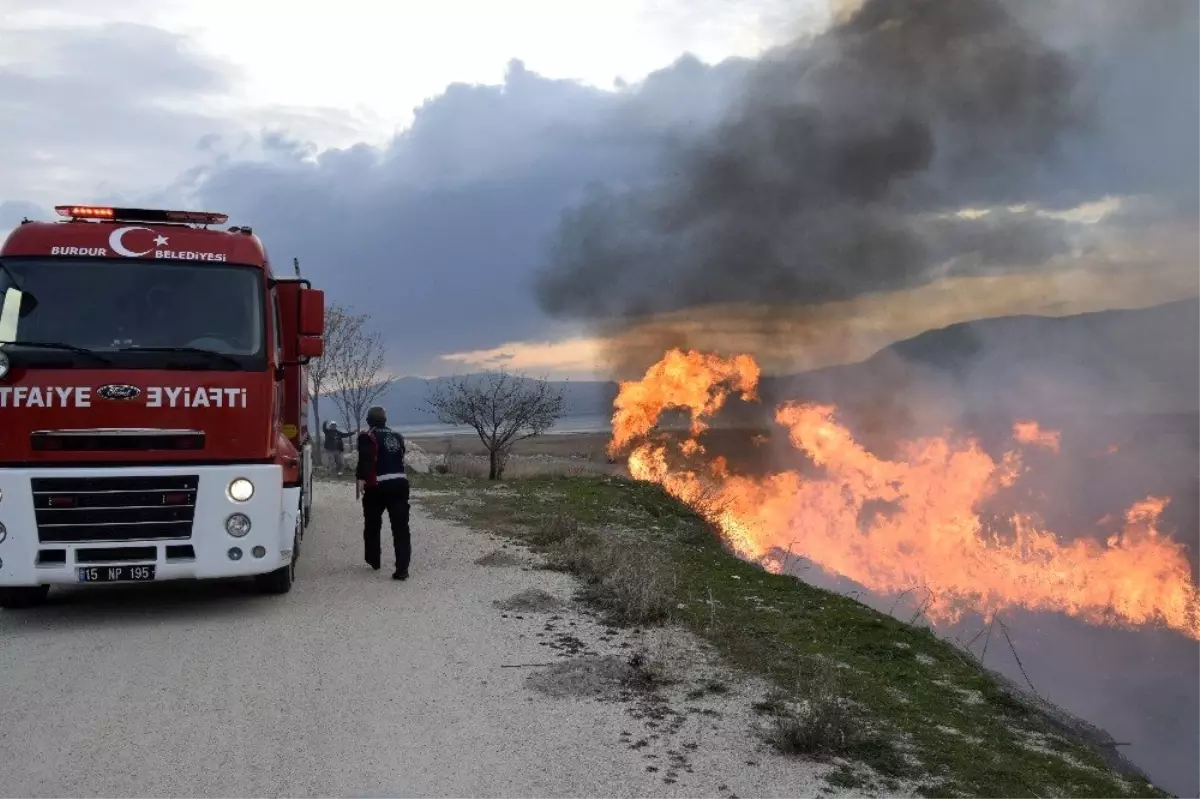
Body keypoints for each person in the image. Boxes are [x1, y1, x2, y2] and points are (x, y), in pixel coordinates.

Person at [355, 406, 411, 580]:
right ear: (385, 420)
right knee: (401, 528)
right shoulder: (397, 436)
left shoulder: (367, 436)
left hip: (377, 486)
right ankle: (402, 569)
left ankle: (374, 560)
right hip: (400, 484)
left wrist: (360, 479)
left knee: (372, 524)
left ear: (368, 421)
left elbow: (365, 459)